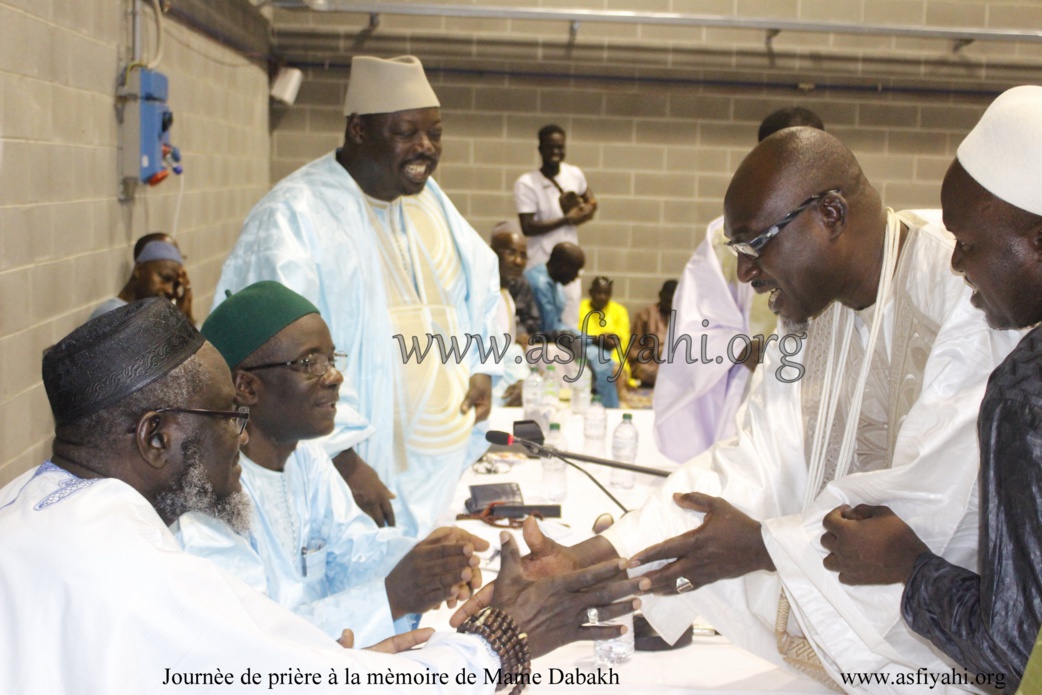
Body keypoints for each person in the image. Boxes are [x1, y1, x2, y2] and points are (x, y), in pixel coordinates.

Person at [456, 128, 1022, 691]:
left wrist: (759, 546)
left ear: (829, 215)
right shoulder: (810, 309)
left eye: (756, 245)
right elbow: (749, 464)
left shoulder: (966, 292)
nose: (746, 275)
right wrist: (581, 563)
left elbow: (918, 518)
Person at [0, 297, 649, 693]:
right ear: (156, 436)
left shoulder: (33, 505)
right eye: (227, 418)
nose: (239, 439)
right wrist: (499, 639)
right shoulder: (134, 569)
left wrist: (328, 665)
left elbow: (258, 654)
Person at [213, 56, 501, 538]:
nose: (425, 147)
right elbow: (277, 361)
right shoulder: (295, 214)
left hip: (437, 470)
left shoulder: (429, 202)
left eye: (434, 133)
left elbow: (483, 287)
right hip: (352, 470)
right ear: (358, 131)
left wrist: (484, 367)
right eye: (406, 132)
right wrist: (344, 461)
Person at [819, 85, 1042, 691]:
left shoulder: (1026, 394)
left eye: (967, 245)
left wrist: (906, 565)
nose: (955, 265)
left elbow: (1008, 652)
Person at [176, 281, 491, 647]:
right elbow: (255, 642)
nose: (335, 376)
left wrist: (428, 559)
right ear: (246, 387)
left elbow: (352, 549)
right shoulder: (207, 499)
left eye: (331, 358)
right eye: (310, 363)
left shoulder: (305, 456)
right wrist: (392, 595)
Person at [653, 107, 824, 463]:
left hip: (828, 380)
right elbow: (697, 322)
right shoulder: (725, 235)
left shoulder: (840, 219)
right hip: (756, 384)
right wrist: (744, 350)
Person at [514, 124, 597, 329]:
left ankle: (568, 359)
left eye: (560, 147)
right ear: (540, 149)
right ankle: (544, 360)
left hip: (569, 263)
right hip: (541, 261)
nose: (555, 152)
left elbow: (592, 201)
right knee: (543, 321)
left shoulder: (574, 174)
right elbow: (527, 226)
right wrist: (566, 219)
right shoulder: (526, 183)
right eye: (550, 147)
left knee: (569, 315)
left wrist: (586, 211)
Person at [89, 233, 194, 323]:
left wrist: (185, 315)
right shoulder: (111, 315)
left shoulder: (153, 318)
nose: (170, 291)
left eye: (176, 285)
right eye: (165, 278)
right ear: (139, 269)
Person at [629, 279, 677, 386]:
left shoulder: (684, 317)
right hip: (650, 363)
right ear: (660, 295)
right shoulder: (645, 315)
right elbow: (633, 349)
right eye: (667, 301)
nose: (670, 305)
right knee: (649, 372)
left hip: (675, 364)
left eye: (673, 302)